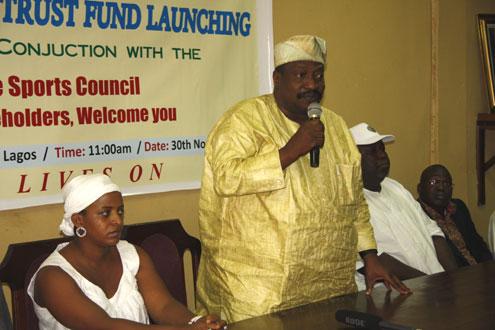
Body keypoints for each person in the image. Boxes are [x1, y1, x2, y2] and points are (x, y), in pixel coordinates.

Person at [196, 35, 409, 323]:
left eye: (318, 76)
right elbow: (225, 178)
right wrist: (289, 151)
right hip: (258, 291)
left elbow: (355, 201)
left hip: (327, 286)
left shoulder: (334, 126)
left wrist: (370, 255)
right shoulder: (243, 120)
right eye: (301, 76)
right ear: (277, 78)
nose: (312, 84)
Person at [27, 174, 226, 330]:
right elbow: (104, 326)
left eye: (120, 211)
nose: (118, 221)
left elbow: (164, 307)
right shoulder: (52, 277)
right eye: (105, 213)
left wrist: (197, 322)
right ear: (79, 220)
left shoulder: (132, 255)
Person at [350, 123, 458, 290]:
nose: (382, 156)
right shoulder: (348, 200)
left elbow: (433, 232)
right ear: (352, 159)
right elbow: (373, 259)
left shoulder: (395, 187)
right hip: (397, 295)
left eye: (382, 149)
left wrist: (452, 277)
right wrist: (430, 284)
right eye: (372, 151)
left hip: (437, 287)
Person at [417, 164, 492, 267]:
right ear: (420, 188)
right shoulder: (416, 214)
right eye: (434, 182)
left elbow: (478, 244)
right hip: (449, 278)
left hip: (478, 273)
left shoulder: (459, 207)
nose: (441, 187)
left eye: (446, 183)